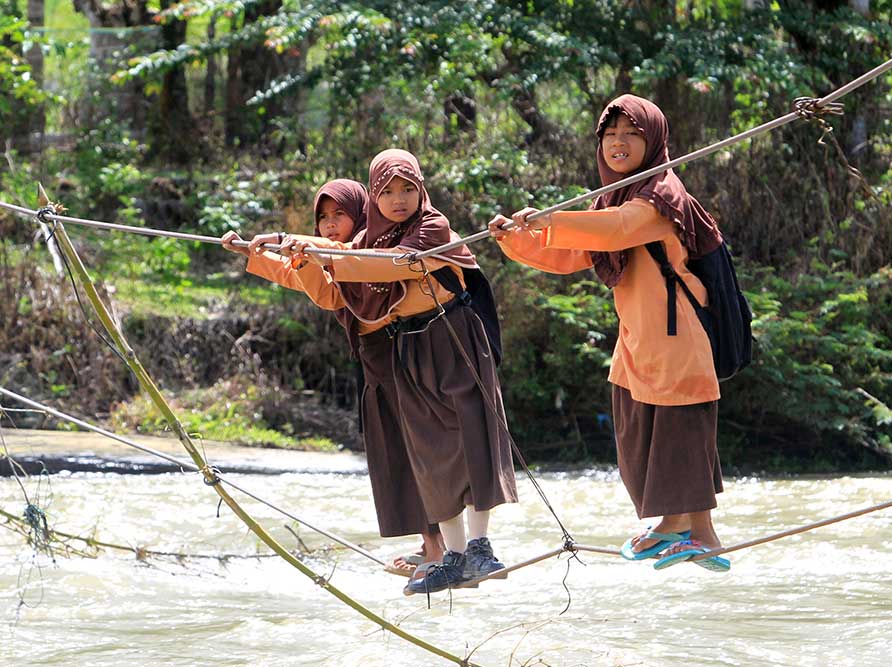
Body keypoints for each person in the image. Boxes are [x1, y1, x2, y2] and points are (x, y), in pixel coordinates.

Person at [488, 94, 730, 572]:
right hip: (637, 337)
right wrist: (518, 240)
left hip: (676, 333)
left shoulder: (662, 193)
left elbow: (618, 230)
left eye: (631, 134)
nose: (618, 143)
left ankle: (680, 527)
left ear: (653, 139)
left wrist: (552, 220)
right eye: (610, 135)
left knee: (678, 432)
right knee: (636, 426)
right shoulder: (612, 196)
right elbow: (574, 253)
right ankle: (699, 534)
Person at [293, 149, 518, 593]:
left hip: (456, 337)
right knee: (431, 453)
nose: (398, 199)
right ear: (374, 196)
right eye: (388, 191)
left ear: (421, 190)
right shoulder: (364, 243)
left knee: (471, 437)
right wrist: (276, 248)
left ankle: (480, 547)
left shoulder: (432, 227)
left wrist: (319, 253)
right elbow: (337, 268)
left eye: (407, 189)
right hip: (410, 346)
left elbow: (394, 263)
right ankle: (452, 557)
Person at [220, 178, 445, 577]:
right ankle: (430, 545)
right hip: (375, 361)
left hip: (399, 353)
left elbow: (330, 293)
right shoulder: (330, 255)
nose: (328, 224)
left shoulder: (368, 249)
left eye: (338, 214)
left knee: (417, 452)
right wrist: (254, 255)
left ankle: (439, 549)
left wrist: (298, 249)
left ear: (360, 213)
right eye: (322, 218)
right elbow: (306, 281)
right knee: (396, 453)